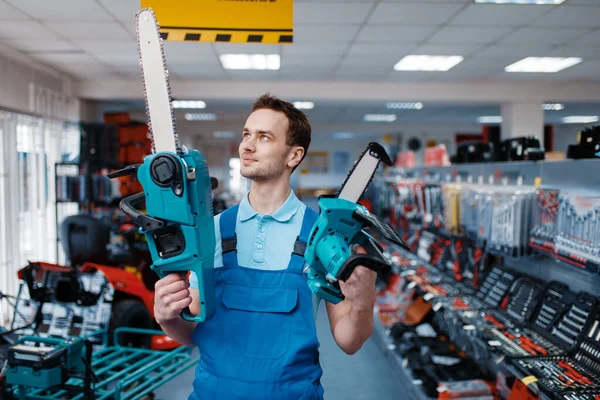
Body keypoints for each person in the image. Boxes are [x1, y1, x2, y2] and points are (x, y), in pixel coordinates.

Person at [153, 94, 378, 400]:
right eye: (246, 134)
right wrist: (167, 317)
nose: (247, 145)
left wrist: (363, 301)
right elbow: (192, 332)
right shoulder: (212, 230)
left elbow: (348, 341)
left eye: (264, 137)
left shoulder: (322, 237)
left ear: (294, 156)